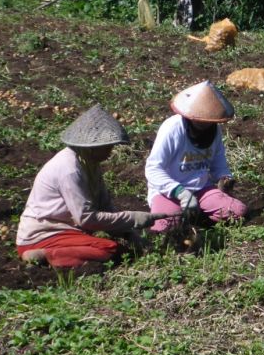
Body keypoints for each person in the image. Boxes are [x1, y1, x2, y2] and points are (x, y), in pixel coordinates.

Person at [16, 105, 161, 268]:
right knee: (110, 250)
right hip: (42, 235)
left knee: (121, 251)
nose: (110, 151)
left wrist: (129, 233)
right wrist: (131, 218)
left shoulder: (90, 163)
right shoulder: (69, 169)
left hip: (66, 230)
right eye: (107, 147)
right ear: (92, 147)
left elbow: (104, 205)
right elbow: (86, 219)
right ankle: (44, 254)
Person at [145, 80, 247, 232]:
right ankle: (183, 216)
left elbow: (218, 162)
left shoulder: (214, 130)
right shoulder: (172, 129)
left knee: (237, 212)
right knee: (165, 226)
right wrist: (180, 192)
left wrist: (224, 177)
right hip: (169, 191)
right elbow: (153, 169)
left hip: (201, 189)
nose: (205, 125)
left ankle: (196, 216)